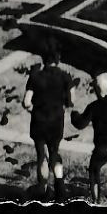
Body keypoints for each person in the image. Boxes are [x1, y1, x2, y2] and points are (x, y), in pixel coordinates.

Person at [22, 43, 74, 199]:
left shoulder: (35, 76)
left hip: (39, 121)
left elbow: (26, 102)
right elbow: (72, 101)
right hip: (56, 121)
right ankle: (59, 184)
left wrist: (33, 109)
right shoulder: (65, 77)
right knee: (54, 152)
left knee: (41, 156)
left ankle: (42, 188)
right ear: (58, 58)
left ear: (43, 59)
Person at [71, 73, 107, 206]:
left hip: (101, 148)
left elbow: (80, 124)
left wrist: (74, 114)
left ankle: (96, 202)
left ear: (98, 90)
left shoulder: (94, 106)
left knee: (93, 172)